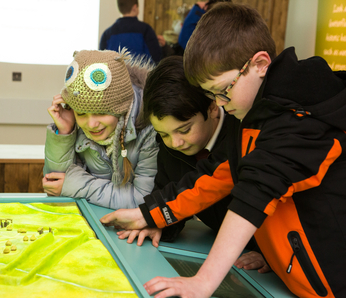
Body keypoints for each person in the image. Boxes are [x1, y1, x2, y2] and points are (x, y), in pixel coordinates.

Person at [101, 3, 346, 298]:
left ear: (260, 64)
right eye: (212, 94)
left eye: (223, 90)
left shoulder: (297, 116)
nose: (219, 103)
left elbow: (255, 193)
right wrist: (149, 215)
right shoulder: (253, 115)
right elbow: (216, 175)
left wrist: (203, 282)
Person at [116, 55, 269, 271]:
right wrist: (157, 226)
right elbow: (169, 193)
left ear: (213, 107)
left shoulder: (242, 138)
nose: (175, 142)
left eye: (185, 129)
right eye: (163, 133)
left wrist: (271, 254)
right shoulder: (170, 147)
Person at [43, 49, 158, 209]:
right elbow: (55, 184)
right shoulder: (76, 123)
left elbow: (143, 200)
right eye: (82, 113)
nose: (91, 124)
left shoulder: (150, 128)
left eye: (101, 113)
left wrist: (77, 185)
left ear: (122, 107)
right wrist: (64, 133)